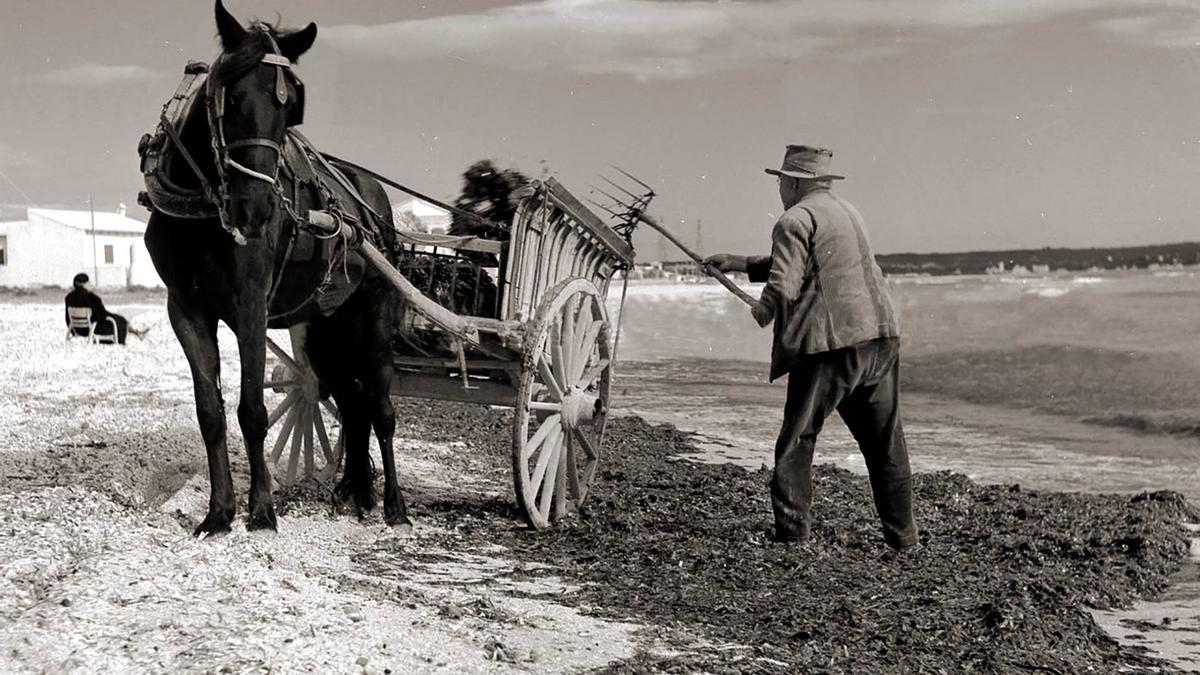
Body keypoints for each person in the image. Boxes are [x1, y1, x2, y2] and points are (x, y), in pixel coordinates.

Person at [704, 145, 918, 550]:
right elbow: (809, 261)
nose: (779, 188)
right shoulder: (846, 212)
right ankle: (905, 540)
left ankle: (791, 538)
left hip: (830, 343)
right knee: (885, 442)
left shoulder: (793, 218)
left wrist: (765, 309)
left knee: (797, 439)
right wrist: (739, 262)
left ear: (793, 182)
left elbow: (785, 283)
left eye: (781, 181)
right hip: (881, 336)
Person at [64, 273, 147, 344]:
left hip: (77, 329)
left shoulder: (68, 297)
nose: (90, 284)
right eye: (88, 282)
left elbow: (67, 317)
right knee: (120, 321)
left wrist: (72, 330)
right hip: (91, 329)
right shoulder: (92, 297)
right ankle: (137, 333)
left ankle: (137, 333)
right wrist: (111, 315)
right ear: (84, 284)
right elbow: (101, 314)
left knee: (118, 319)